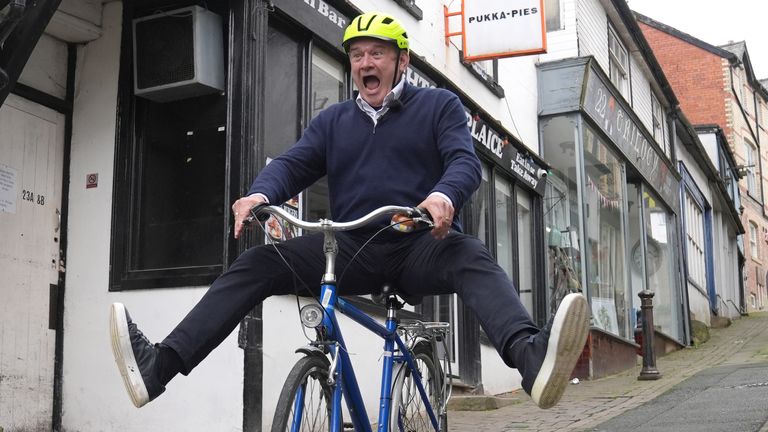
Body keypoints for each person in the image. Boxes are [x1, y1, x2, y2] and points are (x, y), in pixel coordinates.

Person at [110, 11, 590, 411]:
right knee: (256, 264)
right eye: (357, 55)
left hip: (419, 243)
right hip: (353, 247)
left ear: (401, 59)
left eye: (377, 53)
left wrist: (442, 198)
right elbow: (294, 165)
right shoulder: (333, 121)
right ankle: (159, 367)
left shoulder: (438, 106)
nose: (365, 63)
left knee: (472, 256)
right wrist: (260, 195)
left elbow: (464, 162)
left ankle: (531, 360)